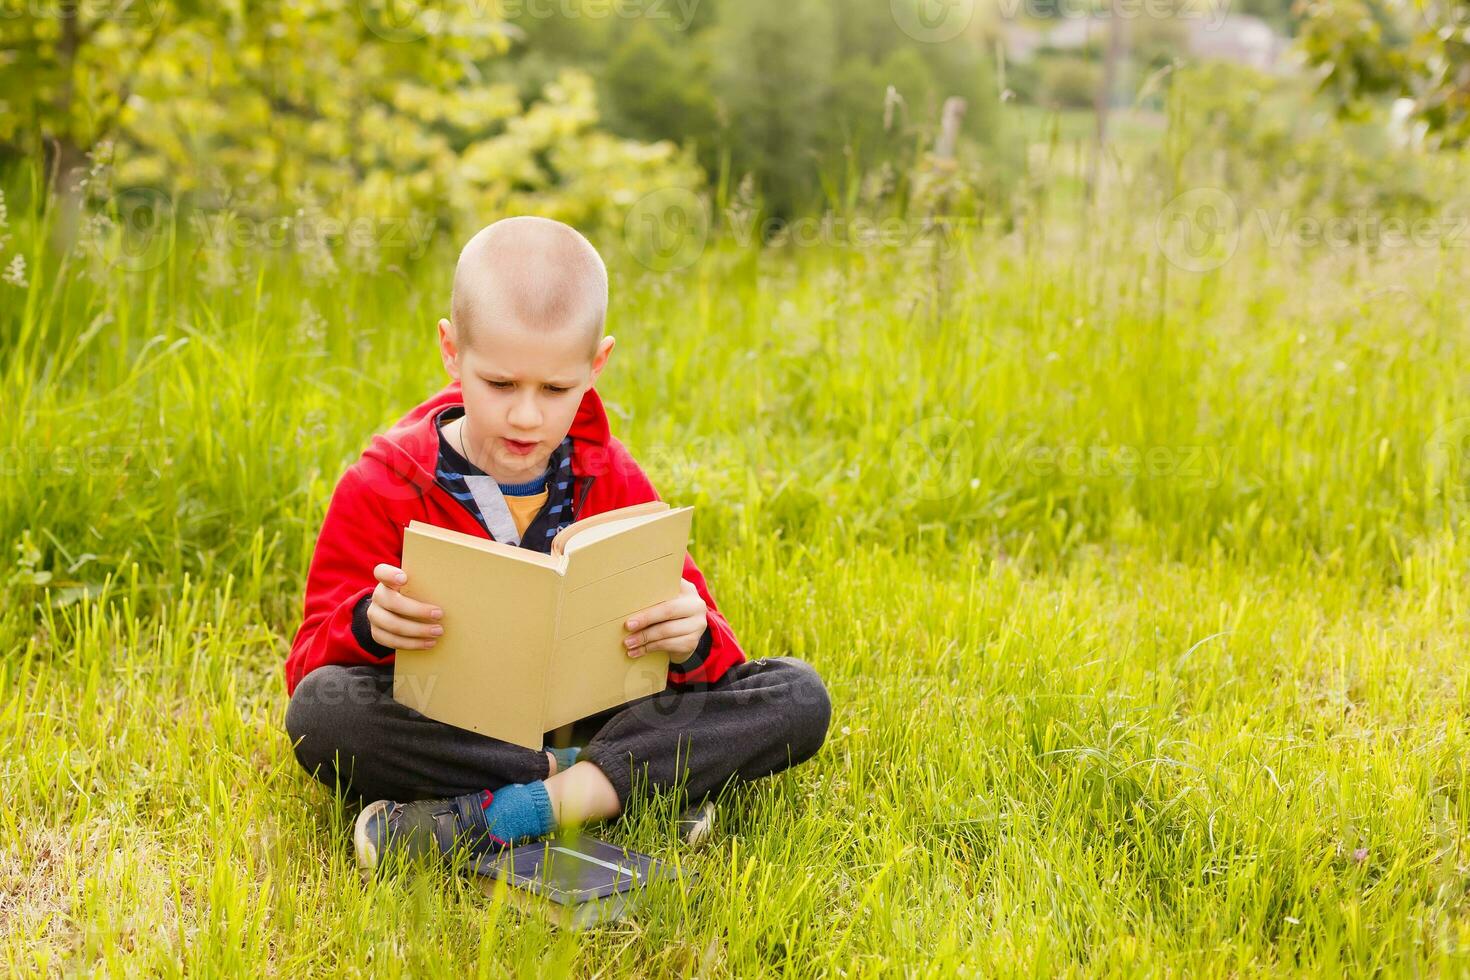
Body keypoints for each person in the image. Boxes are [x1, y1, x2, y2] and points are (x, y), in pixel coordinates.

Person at [282, 216, 831, 871]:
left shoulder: (614, 476)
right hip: (459, 727)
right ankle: (614, 789)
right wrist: (370, 624)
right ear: (452, 352)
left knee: (798, 696)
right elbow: (308, 665)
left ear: (596, 364)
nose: (526, 415)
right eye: (501, 384)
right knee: (325, 714)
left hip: (600, 715)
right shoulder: (382, 484)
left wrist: (693, 636)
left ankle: (508, 812)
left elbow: (718, 662)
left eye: (556, 389)